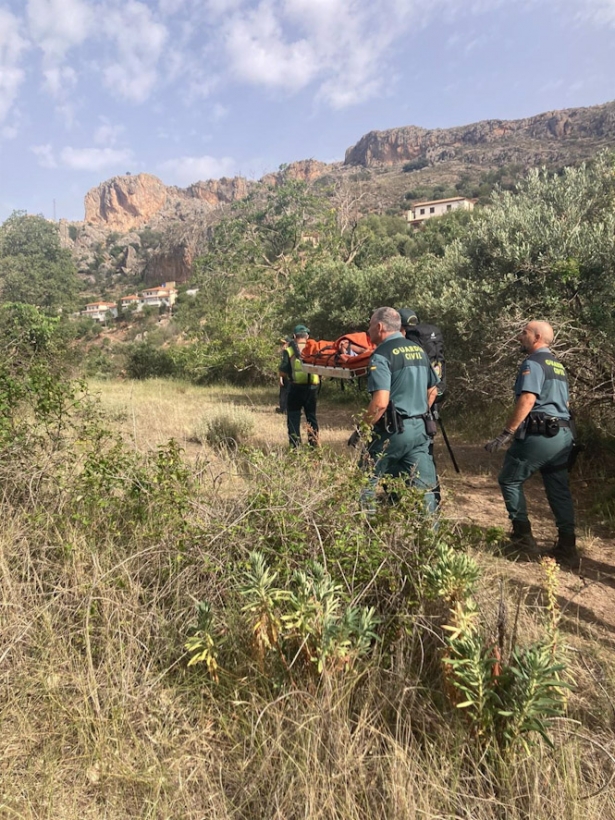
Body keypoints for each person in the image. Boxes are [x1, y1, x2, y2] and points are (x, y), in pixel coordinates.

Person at [484, 320, 579, 568]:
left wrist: (507, 433)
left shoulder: (533, 363)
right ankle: (568, 547)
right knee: (558, 487)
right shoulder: (558, 366)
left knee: (509, 479)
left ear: (537, 337)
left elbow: (528, 399)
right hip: (563, 435)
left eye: (524, 332)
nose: (520, 336)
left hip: (540, 434)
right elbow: (566, 404)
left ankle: (523, 541)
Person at [351, 307, 439, 513]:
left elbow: (380, 403)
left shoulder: (381, 355)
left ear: (380, 327)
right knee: (424, 489)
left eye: (370, 325)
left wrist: (361, 429)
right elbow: (433, 390)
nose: (368, 330)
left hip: (394, 431)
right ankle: (429, 531)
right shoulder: (419, 350)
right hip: (420, 430)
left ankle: (365, 527)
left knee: (365, 481)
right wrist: (417, 412)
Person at [279, 324, 320, 447]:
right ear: (307, 336)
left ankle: (295, 447)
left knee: (293, 417)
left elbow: (283, 371)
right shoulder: (315, 349)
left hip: (295, 388)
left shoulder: (289, 350)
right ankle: (314, 446)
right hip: (312, 388)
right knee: (311, 417)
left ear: (294, 336)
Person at [276, 336, 291, 414]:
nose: (282, 345)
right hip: (288, 376)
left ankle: (285, 409)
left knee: (286, 392)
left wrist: (281, 377)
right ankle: (283, 408)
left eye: (284, 343)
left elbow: (284, 366)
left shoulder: (287, 352)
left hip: (288, 376)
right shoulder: (288, 352)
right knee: (284, 392)